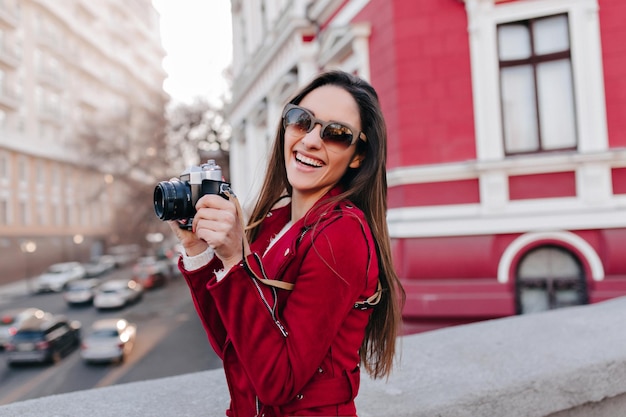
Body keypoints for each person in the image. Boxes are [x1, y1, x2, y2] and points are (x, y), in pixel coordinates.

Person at [169, 70, 405, 417]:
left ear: (358, 156)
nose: (310, 140)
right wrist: (199, 251)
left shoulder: (341, 235)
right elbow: (234, 345)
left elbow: (279, 382)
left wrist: (236, 259)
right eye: (301, 120)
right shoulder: (275, 220)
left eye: (336, 134)